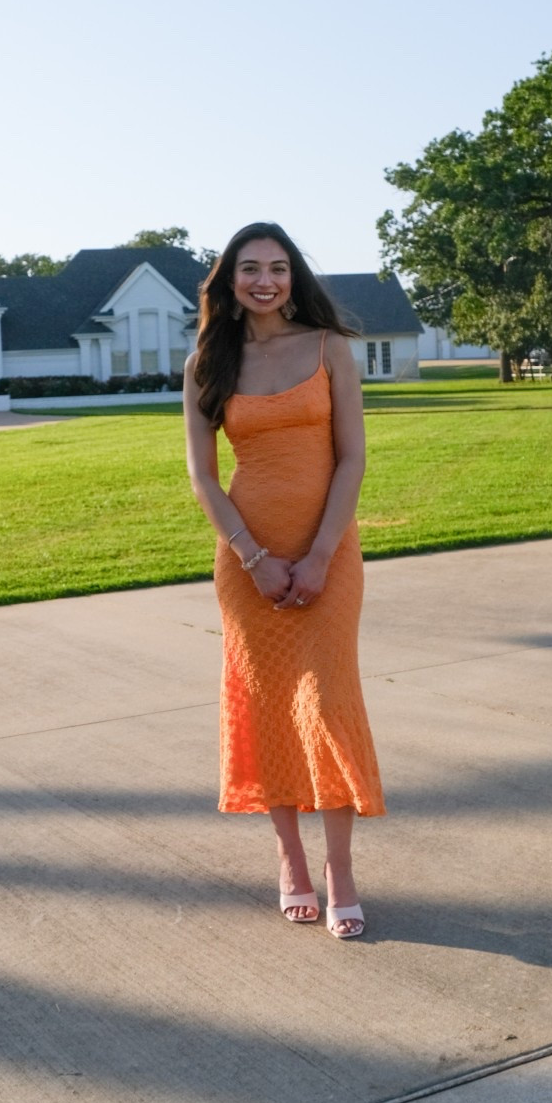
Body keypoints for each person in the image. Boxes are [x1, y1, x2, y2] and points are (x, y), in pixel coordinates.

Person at [184, 222, 385, 939]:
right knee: (267, 708)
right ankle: (290, 863)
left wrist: (321, 553)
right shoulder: (209, 361)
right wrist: (253, 556)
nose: (263, 280)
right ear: (228, 281)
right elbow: (203, 476)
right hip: (248, 566)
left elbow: (351, 459)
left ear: (293, 275)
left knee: (326, 705)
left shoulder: (329, 349)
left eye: (275, 267)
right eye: (248, 268)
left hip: (327, 554)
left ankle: (340, 870)